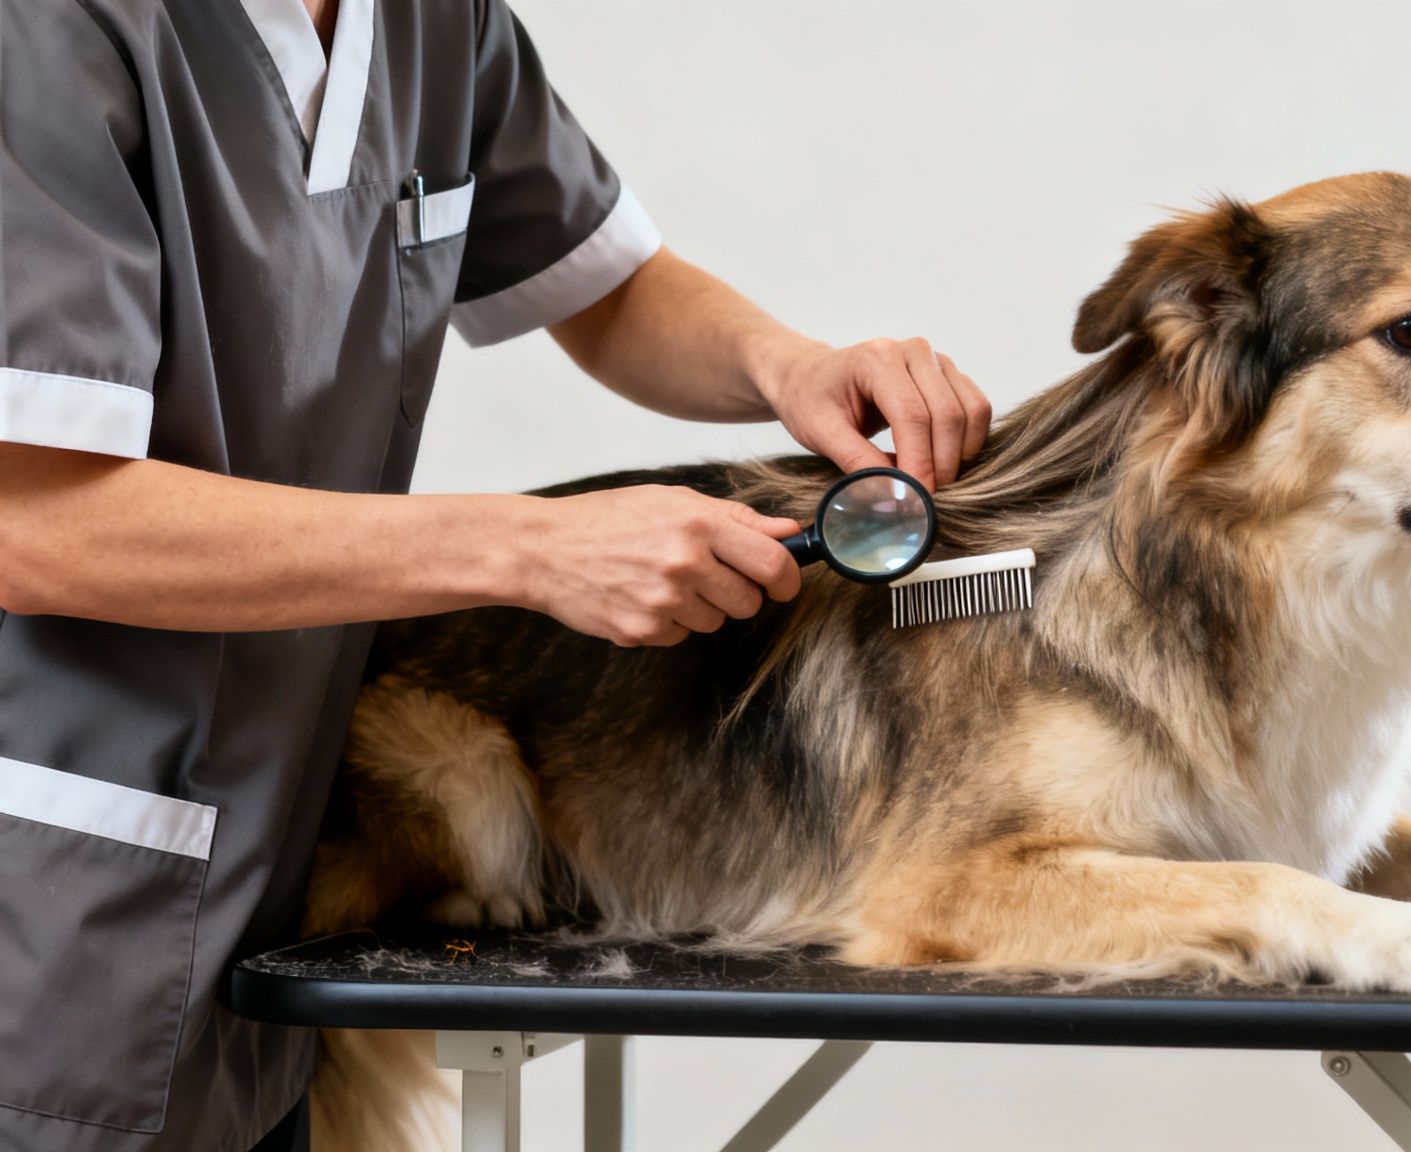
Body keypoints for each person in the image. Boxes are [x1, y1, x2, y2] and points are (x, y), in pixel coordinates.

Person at [0, 0, 990, 1148]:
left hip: (271, 902)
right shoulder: (52, 32)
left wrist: (787, 366)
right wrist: (529, 549)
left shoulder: (433, 23)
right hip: (55, 916)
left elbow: (604, 284)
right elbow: (35, 525)